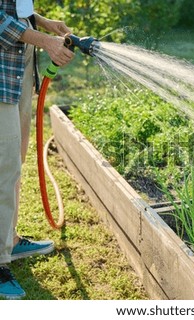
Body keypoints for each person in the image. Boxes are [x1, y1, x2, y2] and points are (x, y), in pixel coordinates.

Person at [0, 0, 74, 299]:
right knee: (3, 168)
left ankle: (9, 240)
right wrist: (45, 41)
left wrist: (39, 21)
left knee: (13, 163)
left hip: (17, 70)